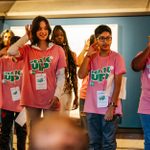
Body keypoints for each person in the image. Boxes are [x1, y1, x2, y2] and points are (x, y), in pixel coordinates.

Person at [7, 16, 66, 147]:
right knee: (33, 137)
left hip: (51, 98)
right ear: (34, 30)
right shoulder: (27, 49)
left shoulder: (58, 50)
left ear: (49, 30)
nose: (43, 31)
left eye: (45, 28)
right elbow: (11, 51)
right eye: (39, 28)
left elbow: (61, 75)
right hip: (32, 99)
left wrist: (57, 95)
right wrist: (26, 37)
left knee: (52, 137)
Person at [78, 25, 126, 150]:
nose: (106, 42)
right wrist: (88, 55)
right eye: (102, 38)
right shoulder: (92, 57)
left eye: (108, 38)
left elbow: (118, 84)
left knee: (108, 143)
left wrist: (112, 106)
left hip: (109, 107)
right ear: (96, 40)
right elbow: (81, 75)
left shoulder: (117, 57)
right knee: (93, 143)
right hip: (92, 108)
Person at [0, 36, 27, 150]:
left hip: (22, 106)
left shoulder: (26, 61)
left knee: (22, 134)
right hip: (6, 105)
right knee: (5, 134)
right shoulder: (3, 61)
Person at [51, 25, 78, 115]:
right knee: (54, 122)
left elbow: (74, 76)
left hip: (67, 91)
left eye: (61, 35)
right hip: (53, 92)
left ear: (64, 37)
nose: (59, 37)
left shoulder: (71, 54)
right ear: (53, 38)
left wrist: (76, 96)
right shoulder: (49, 54)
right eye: (57, 35)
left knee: (65, 121)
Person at [131, 40, 150, 150]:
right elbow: (135, 67)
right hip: (146, 105)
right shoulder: (143, 54)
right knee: (149, 139)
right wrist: (148, 49)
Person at [78, 35, 95, 130]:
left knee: (95, 125)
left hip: (97, 96)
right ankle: (86, 145)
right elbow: (78, 62)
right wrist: (85, 49)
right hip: (85, 95)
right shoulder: (87, 57)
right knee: (85, 127)